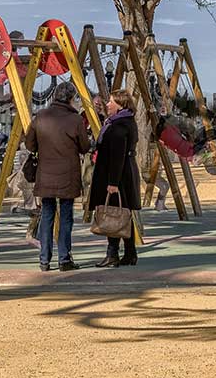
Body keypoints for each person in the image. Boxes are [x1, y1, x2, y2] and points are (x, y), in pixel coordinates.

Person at [27, 83, 93, 271]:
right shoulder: (75, 119)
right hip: (68, 174)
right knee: (66, 216)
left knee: (47, 214)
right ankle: (64, 258)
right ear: (71, 98)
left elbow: (30, 144)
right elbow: (84, 147)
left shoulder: (41, 116)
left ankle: (44, 259)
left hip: (46, 173)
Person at [89, 91, 141, 267]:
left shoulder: (119, 126)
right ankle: (130, 252)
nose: (107, 104)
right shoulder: (123, 122)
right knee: (123, 212)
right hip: (123, 173)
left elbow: (118, 155)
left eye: (111, 101)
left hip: (118, 175)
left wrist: (113, 182)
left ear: (120, 105)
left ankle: (112, 253)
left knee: (113, 212)